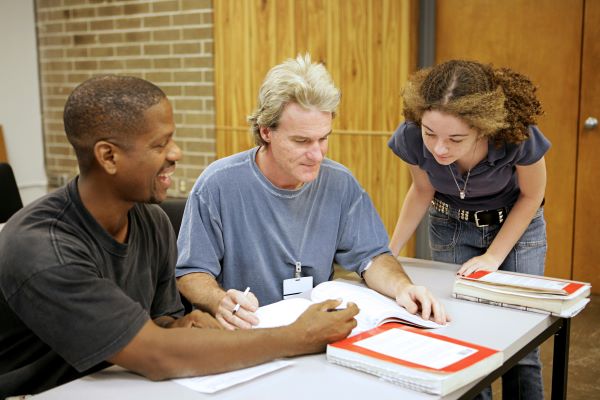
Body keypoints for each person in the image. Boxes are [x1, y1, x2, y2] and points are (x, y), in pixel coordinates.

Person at [0, 75, 360, 398]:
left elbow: (162, 321)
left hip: (121, 383)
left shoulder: (150, 220)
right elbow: (155, 353)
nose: (176, 154)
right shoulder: (42, 247)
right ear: (108, 156)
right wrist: (298, 336)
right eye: (160, 145)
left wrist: (183, 323)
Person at [175, 54, 448, 331]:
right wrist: (220, 300)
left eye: (323, 138)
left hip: (313, 332)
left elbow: (373, 257)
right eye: (301, 141)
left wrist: (403, 288)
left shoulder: (340, 183)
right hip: (247, 334)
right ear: (266, 131)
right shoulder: (218, 184)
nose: (316, 155)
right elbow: (191, 273)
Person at [387, 60, 549, 400]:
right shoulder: (412, 136)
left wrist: (493, 256)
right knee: (460, 332)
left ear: (483, 129)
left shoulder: (516, 136)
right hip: (450, 225)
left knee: (521, 335)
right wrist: (389, 254)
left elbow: (532, 195)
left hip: (516, 227)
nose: (439, 148)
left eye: (455, 139)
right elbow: (421, 191)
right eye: (431, 134)